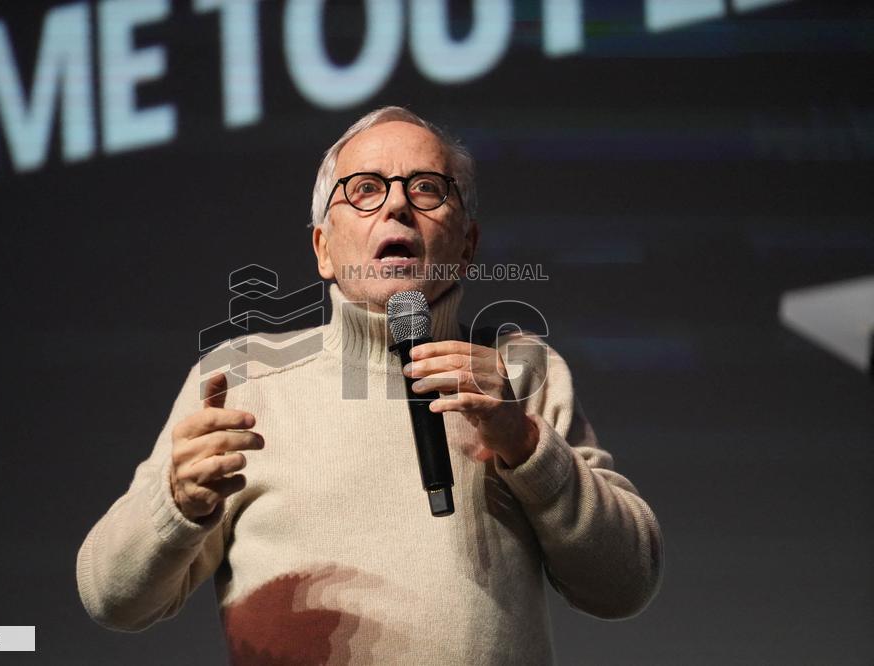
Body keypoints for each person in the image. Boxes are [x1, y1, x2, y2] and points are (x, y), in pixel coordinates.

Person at [76, 106, 663, 664]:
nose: (398, 207)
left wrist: (528, 445)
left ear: (467, 247)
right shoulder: (242, 379)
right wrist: (175, 503)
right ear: (323, 249)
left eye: (428, 188)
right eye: (364, 190)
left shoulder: (522, 372)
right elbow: (111, 598)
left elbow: (626, 585)